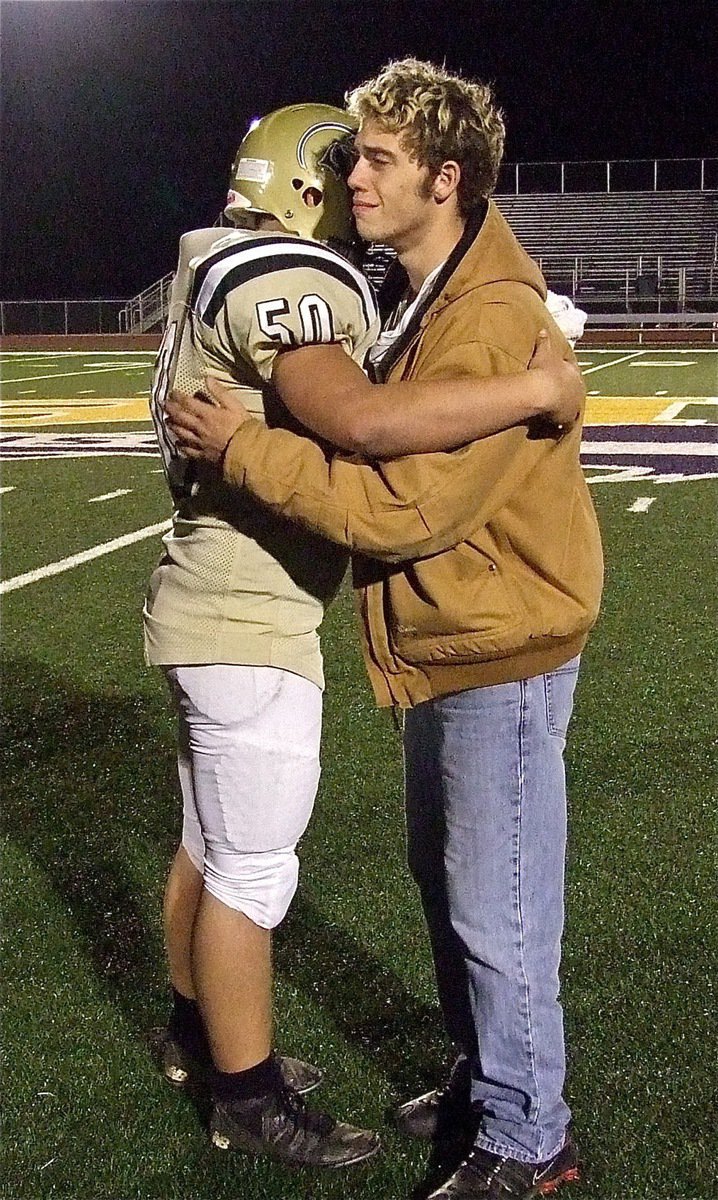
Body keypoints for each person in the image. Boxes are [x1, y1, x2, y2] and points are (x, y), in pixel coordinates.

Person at [166, 60, 603, 1199]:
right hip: (451, 638)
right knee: (452, 884)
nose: (349, 175)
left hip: (493, 642)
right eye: (353, 153)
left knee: (497, 904)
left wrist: (244, 450)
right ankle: (485, 1080)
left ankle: (527, 1137)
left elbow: (408, 510)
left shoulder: (488, 309)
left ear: (443, 179)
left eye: (377, 159)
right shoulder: (428, 284)